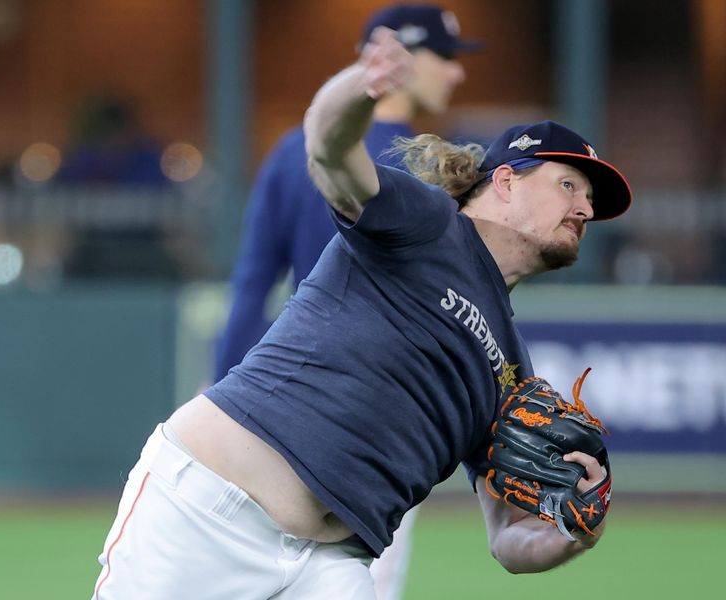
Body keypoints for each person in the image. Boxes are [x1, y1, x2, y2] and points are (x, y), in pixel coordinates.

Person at [91, 25, 632, 600]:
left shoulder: (512, 373)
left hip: (336, 565)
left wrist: (576, 526)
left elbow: (508, 540)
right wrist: (360, 85)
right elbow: (327, 149)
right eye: (569, 184)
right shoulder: (427, 224)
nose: (584, 208)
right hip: (210, 514)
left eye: (592, 202)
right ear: (504, 181)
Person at [213, 6, 477, 597]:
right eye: (446, 57)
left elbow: (251, 288)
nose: (457, 74)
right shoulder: (435, 168)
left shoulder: (288, 152)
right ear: (404, 59)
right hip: (378, 423)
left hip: (281, 410)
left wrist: (224, 405)